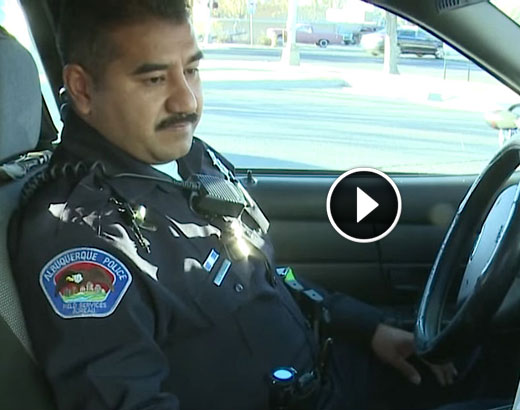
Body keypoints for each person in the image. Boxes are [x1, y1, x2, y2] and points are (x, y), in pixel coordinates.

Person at [8, 1, 460, 409]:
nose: (186, 100)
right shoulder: (81, 239)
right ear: (83, 90)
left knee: (471, 357)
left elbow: (266, 274)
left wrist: (367, 327)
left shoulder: (189, 160)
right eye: (154, 79)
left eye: (191, 70)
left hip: (331, 371)